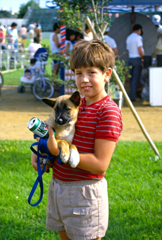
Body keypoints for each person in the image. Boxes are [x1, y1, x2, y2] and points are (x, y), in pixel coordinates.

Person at [31, 39, 123, 240]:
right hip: (59, 187)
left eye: (91, 72)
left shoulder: (108, 112)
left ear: (107, 74)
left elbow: (100, 165)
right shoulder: (76, 106)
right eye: (78, 73)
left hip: (84, 194)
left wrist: (59, 152)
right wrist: (41, 153)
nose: (84, 79)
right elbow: (53, 137)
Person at [126, 24, 144, 102]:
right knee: (136, 79)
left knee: (132, 78)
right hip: (137, 59)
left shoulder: (128, 37)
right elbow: (140, 50)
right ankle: (133, 96)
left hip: (130, 59)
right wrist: (143, 57)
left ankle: (132, 95)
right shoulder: (138, 38)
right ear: (139, 30)